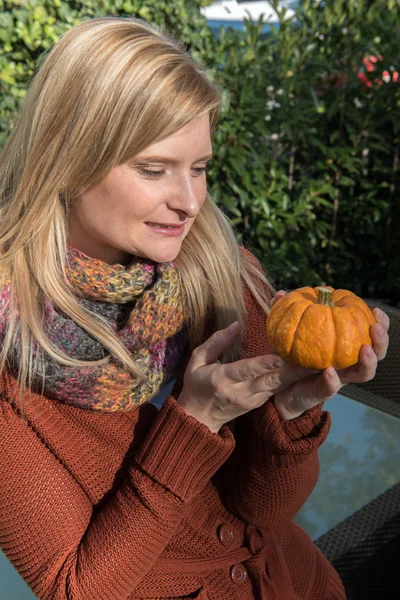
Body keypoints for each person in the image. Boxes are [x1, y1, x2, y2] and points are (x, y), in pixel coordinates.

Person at [0, 16, 389, 600]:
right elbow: (75, 589)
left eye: (199, 167)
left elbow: (263, 512)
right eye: (154, 169)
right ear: (69, 158)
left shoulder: (221, 270)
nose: (189, 202)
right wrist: (198, 421)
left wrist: (293, 410)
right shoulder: (12, 354)